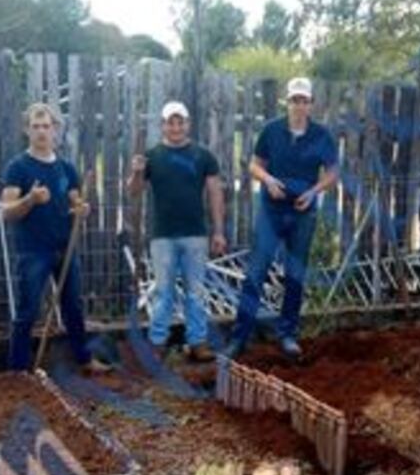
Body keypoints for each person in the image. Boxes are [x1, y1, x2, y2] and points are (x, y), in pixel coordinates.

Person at [225, 77, 338, 359]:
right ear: (286, 103)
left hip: (303, 212)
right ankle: (240, 336)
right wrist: (268, 180)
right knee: (256, 272)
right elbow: (253, 164)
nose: (299, 106)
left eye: (304, 101)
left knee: (295, 275)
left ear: (311, 104)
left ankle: (287, 334)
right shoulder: (271, 131)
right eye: (294, 100)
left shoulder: (322, 136)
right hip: (272, 211)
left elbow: (333, 173)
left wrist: (314, 192)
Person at [0, 102, 110, 373]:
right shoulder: (17, 167)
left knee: (73, 306)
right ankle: (18, 371)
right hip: (33, 250)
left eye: (46, 126)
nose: (41, 132)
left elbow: (76, 203)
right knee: (27, 311)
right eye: (35, 127)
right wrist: (30, 199)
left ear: (55, 130)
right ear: (27, 130)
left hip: (65, 248)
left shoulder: (66, 168)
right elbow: (6, 213)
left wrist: (83, 209)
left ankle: (84, 360)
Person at [125, 101, 226, 362]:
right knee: (163, 291)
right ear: (163, 125)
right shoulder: (151, 156)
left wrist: (218, 231)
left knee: (196, 291)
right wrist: (136, 173)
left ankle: (197, 342)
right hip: (163, 236)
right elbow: (133, 191)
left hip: (195, 234)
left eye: (180, 121)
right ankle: (158, 342)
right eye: (171, 122)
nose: (176, 126)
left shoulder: (203, 156)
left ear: (188, 124)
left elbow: (215, 193)